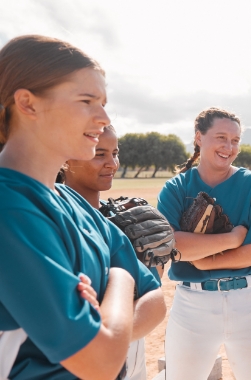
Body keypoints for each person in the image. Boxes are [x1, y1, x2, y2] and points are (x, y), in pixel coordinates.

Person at [0, 35, 162, 379]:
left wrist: (106, 325)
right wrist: (120, 277)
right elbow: (98, 363)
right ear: (28, 104)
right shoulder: (9, 206)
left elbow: (157, 302)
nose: (103, 117)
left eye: (103, 103)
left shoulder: (70, 199)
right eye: (87, 100)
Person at [157, 107, 251, 380]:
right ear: (199, 137)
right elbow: (173, 245)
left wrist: (204, 259)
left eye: (235, 140)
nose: (229, 146)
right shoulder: (176, 188)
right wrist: (233, 239)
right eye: (221, 137)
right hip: (192, 303)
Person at [60, 125, 166, 380]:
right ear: (65, 158)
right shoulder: (56, 218)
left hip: (129, 342)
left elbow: (154, 294)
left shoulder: (115, 222)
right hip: (76, 356)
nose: (112, 163)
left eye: (115, 153)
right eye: (99, 154)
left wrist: (113, 336)